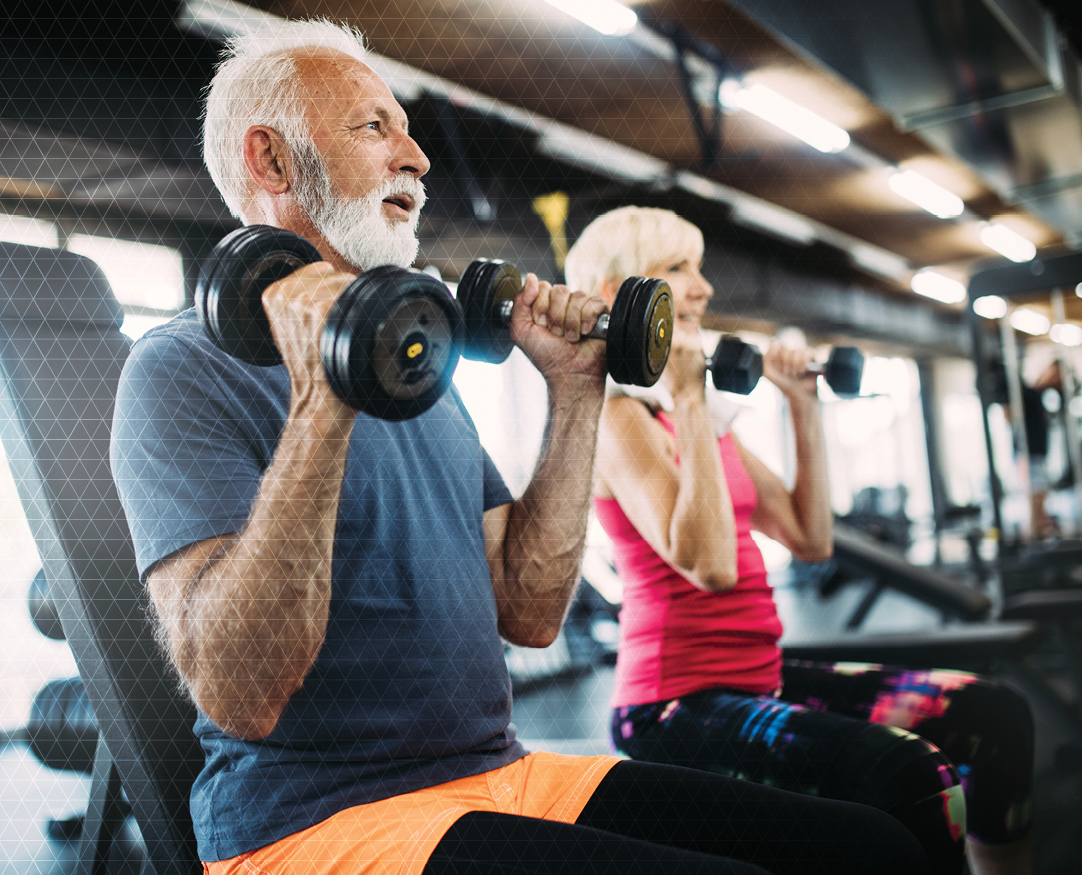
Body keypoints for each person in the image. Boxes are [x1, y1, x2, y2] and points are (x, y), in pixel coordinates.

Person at [111, 20, 931, 875]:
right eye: (373, 127)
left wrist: (576, 390)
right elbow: (240, 692)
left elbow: (531, 613)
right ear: (272, 162)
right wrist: (323, 399)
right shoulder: (177, 370)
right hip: (311, 825)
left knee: (865, 846)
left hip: (497, 773)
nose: (417, 156)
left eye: (404, 126)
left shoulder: (414, 371)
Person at [567, 206, 1035, 875]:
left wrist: (800, 403)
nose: (701, 288)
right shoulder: (618, 417)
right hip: (674, 704)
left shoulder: (703, 420)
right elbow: (709, 565)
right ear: (621, 293)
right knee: (915, 774)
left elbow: (808, 538)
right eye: (677, 270)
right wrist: (691, 398)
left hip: (759, 674)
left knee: (991, 712)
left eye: (697, 269)